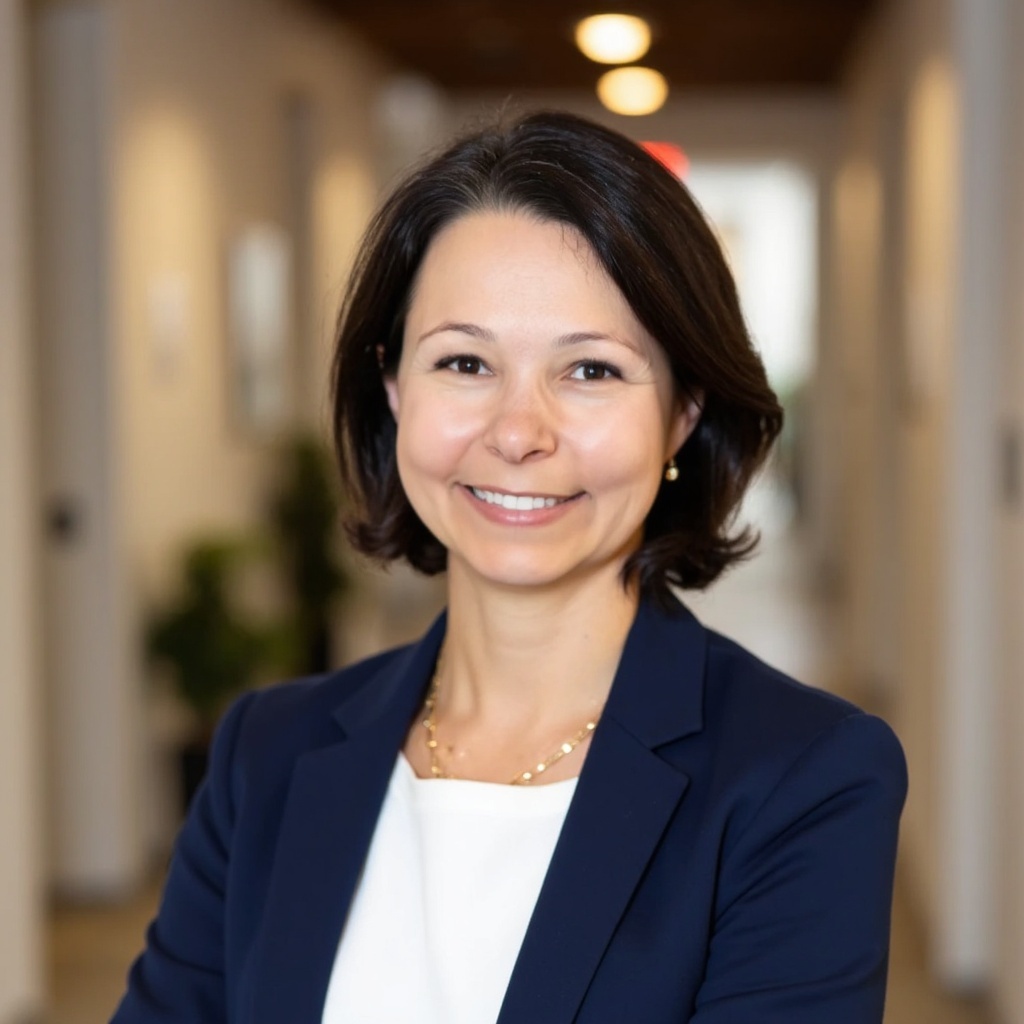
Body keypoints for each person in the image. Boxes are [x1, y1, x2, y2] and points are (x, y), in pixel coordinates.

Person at [112, 110, 907, 1024]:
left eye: (591, 372)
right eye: (464, 361)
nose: (519, 433)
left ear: (684, 411)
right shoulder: (268, 755)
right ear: (395, 388)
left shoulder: (803, 780)